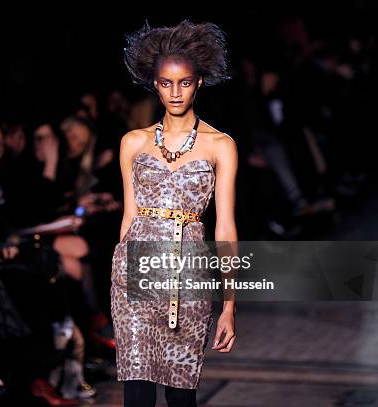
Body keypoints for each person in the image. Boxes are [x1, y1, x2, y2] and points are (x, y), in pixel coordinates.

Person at [112, 20, 237, 407]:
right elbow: (129, 214)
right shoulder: (133, 142)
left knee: (182, 396)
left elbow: (226, 224)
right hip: (136, 273)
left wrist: (229, 305)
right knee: (136, 391)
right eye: (166, 83)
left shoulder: (221, 145)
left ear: (199, 82)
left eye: (184, 82)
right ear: (154, 84)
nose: (175, 91)